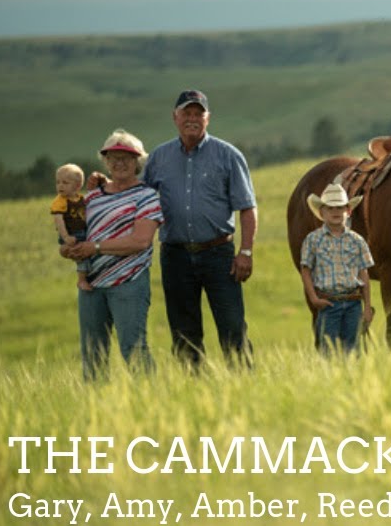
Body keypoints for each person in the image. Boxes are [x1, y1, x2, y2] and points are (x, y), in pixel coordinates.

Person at [142, 89, 258, 368]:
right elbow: (137, 199)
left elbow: (247, 208)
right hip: (175, 255)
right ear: (175, 117)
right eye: (186, 113)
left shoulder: (228, 155)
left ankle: (244, 387)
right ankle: (194, 390)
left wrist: (245, 251)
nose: (192, 119)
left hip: (219, 254)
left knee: (232, 326)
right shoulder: (158, 158)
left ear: (208, 118)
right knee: (184, 332)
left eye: (198, 114)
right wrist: (105, 186)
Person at [59, 130, 161, 379]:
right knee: (93, 356)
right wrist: (69, 249)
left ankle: (154, 401)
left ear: (137, 161)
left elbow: (141, 241)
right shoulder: (91, 197)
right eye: (113, 157)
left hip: (129, 281)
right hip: (91, 286)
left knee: (133, 349)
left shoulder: (147, 196)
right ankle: (96, 411)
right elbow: (72, 236)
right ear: (105, 161)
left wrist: (95, 248)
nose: (119, 162)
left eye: (126, 157)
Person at [299, 182, 375, 355]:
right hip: (328, 303)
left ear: (348, 211)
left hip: (353, 303)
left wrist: (367, 306)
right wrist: (313, 299)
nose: (335, 212)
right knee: (328, 353)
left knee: (353, 352)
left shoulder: (357, 241)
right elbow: (306, 271)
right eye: (330, 208)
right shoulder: (313, 240)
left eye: (340, 207)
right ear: (321, 212)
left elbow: (364, 274)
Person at [50, 163, 91, 292]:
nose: (60, 186)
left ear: (78, 186)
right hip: (71, 234)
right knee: (81, 255)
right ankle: (82, 281)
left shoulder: (81, 199)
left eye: (65, 183)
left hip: (83, 232)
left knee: (88, 255)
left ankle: (88, 276)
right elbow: (59, 221)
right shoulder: (60, 201)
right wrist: (66, 237)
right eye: (58, 182)